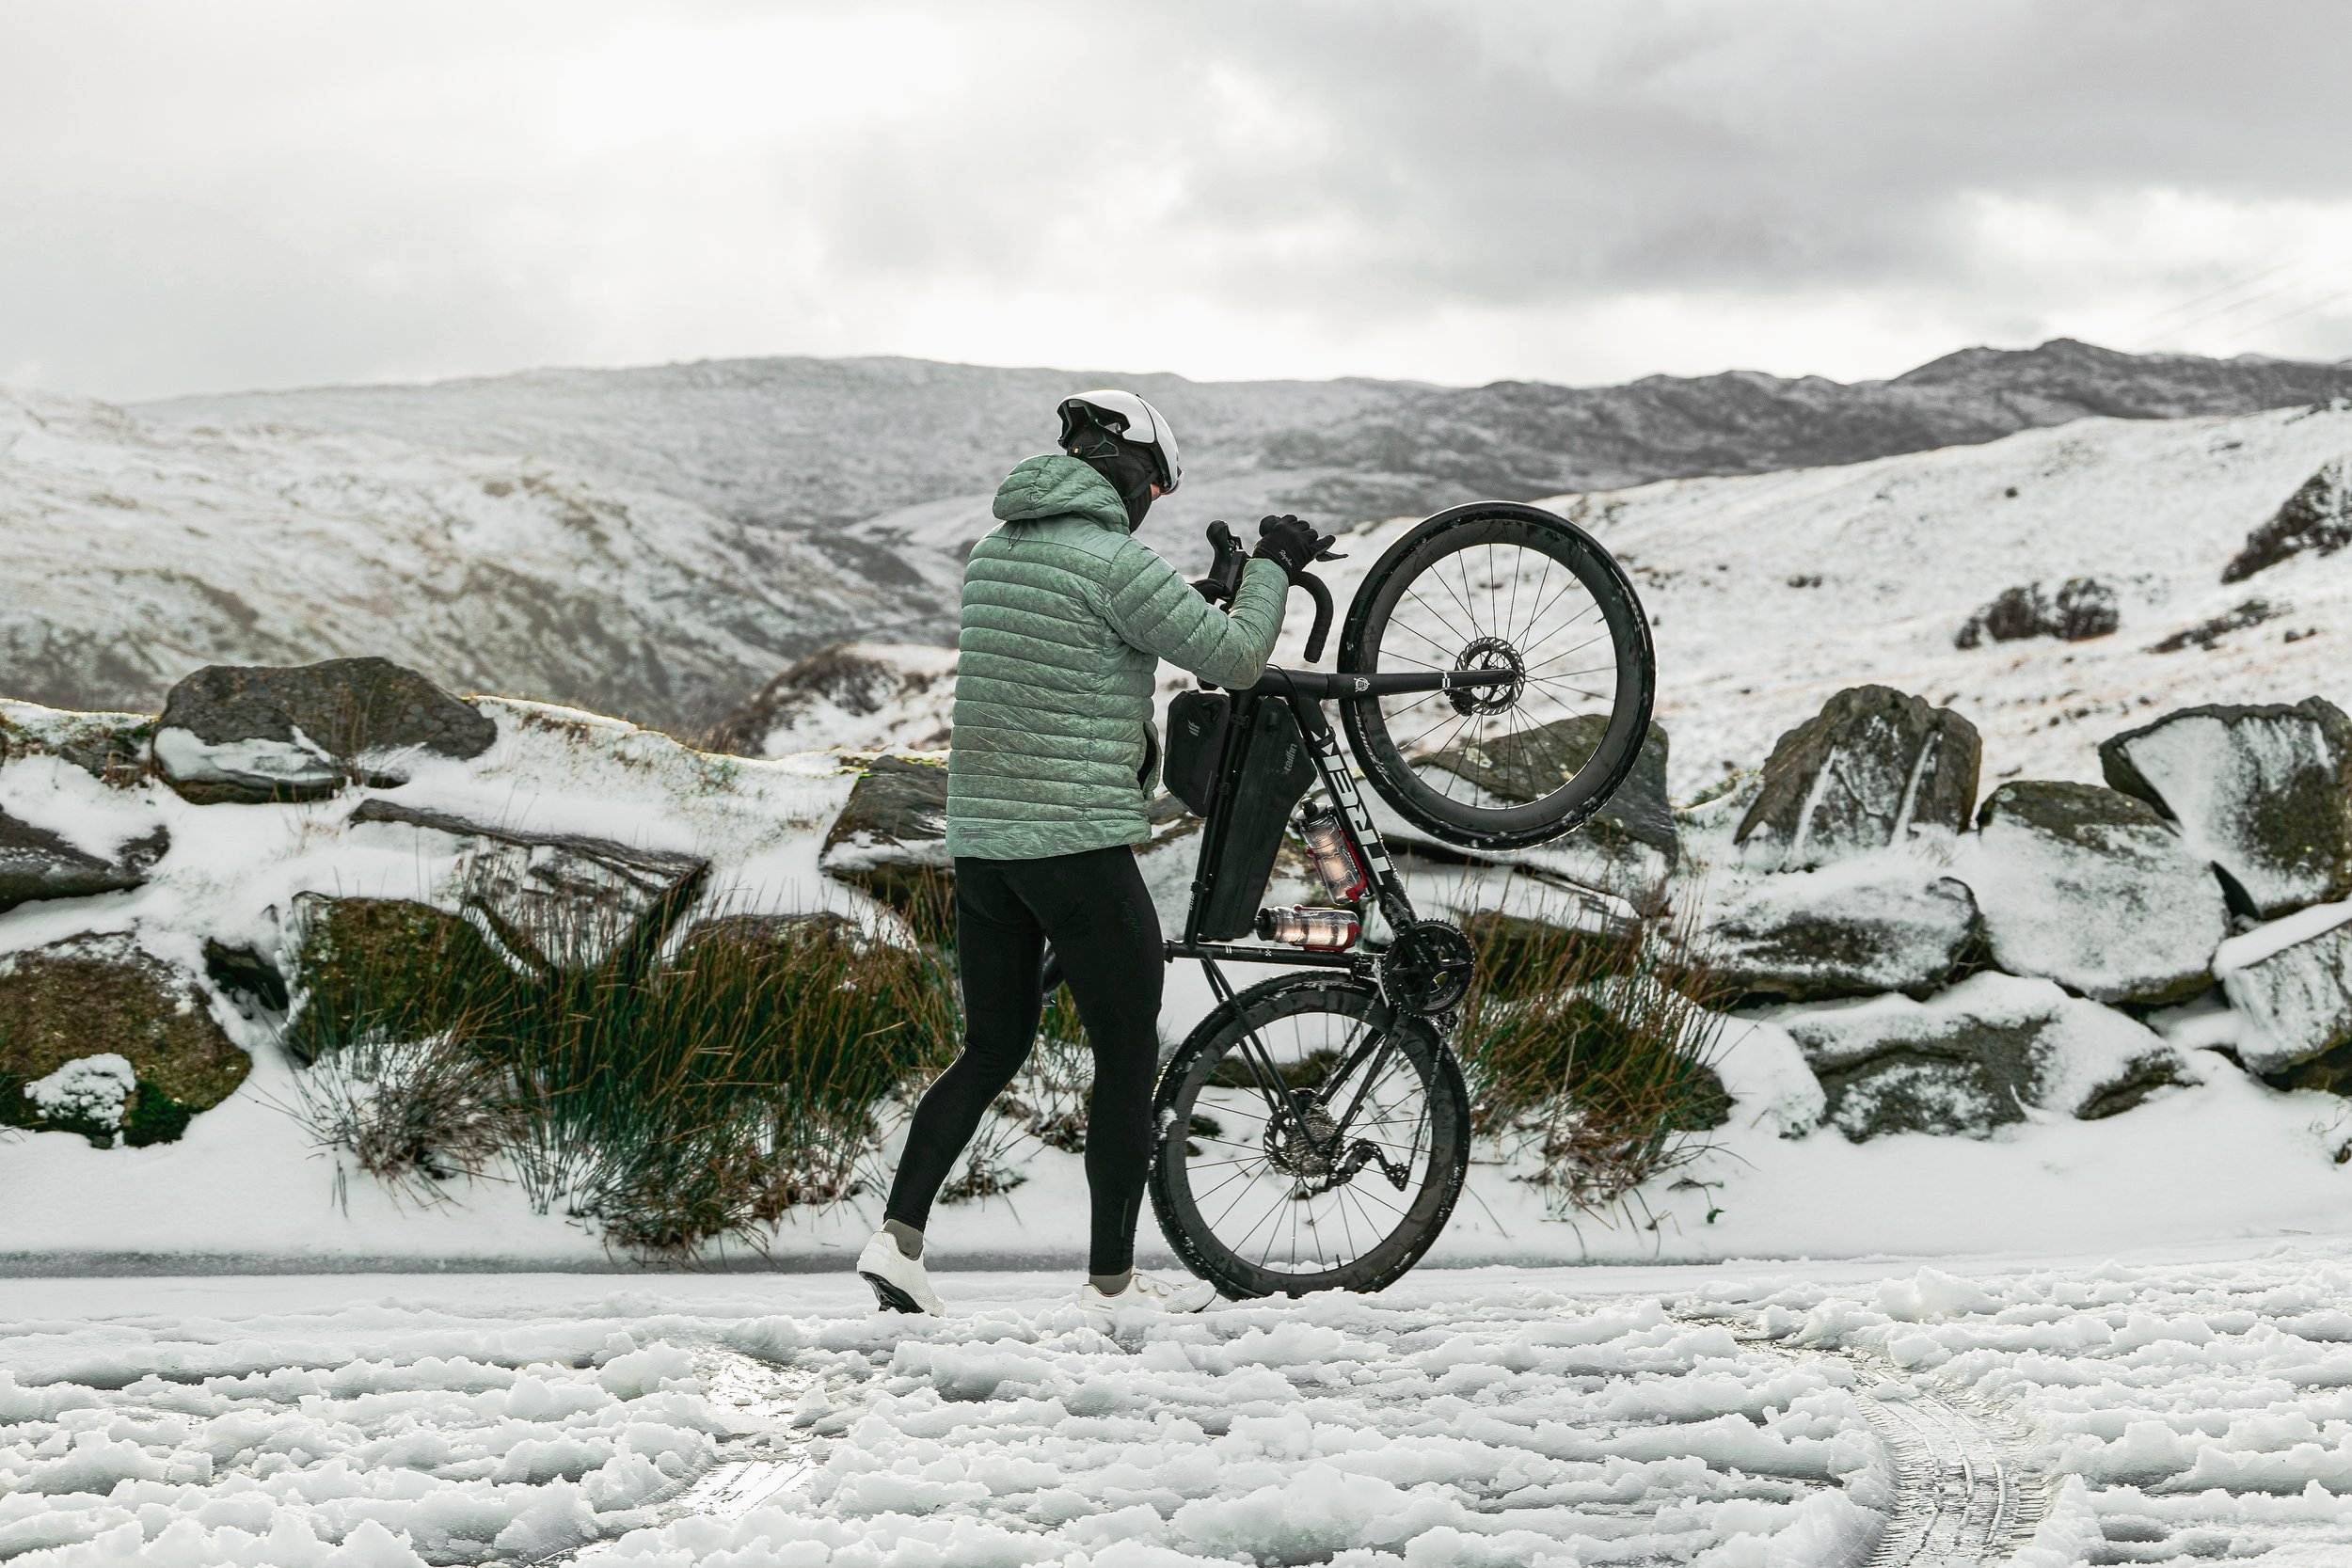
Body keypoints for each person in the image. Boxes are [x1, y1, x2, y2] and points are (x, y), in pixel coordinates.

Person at [856, 389, 1333, 1317]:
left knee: (990, 1046)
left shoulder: (995, 552)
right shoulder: (1114, 560)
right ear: (1127, 467)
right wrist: (1275, 562)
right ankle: (1112, 1284)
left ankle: (899, 1238)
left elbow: (1091, 634)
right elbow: (1235, 660)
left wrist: (1207, 588)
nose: (1149, 501)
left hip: (986, 850)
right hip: (1074, 848)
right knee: (1123, 1060)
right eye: (1152, 485)